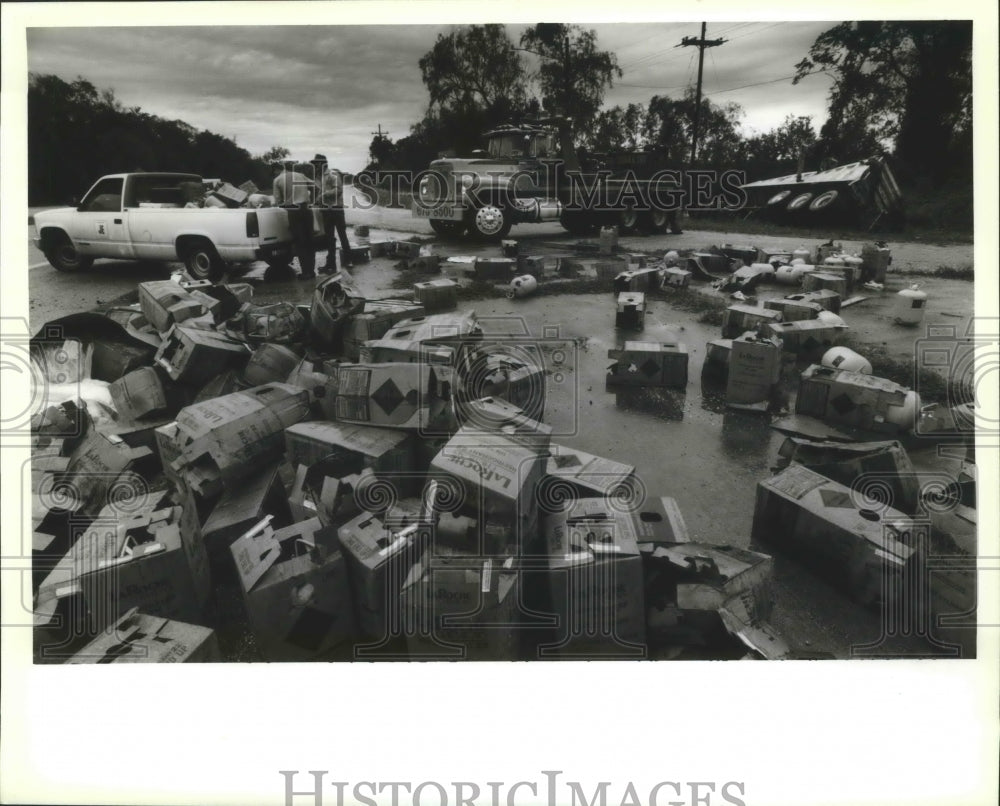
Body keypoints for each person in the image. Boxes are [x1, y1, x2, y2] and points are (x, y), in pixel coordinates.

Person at [272, 159, 319, 279]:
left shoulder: (277, 180)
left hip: (293, 211)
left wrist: (285, 203)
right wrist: (312, 201)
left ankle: (305, 273)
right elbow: (316, 188)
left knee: (300, 241)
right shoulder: (300, 175)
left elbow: (278, 201)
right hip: (306, 209)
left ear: (276, 170)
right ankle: (311, 271)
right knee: (310, 239)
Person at [312, 154, 353, 273]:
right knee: (329, 238)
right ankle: (331, 264)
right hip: (326, 210)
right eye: (315, 164)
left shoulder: (333, 174)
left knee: (342, 235)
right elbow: (319, 192)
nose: (315, 166)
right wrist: (318, 200)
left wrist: (324, 195)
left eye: (317, 164)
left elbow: (338, 190)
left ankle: (348, 260)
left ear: (322, 164)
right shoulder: (318, 177)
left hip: (336, 209)